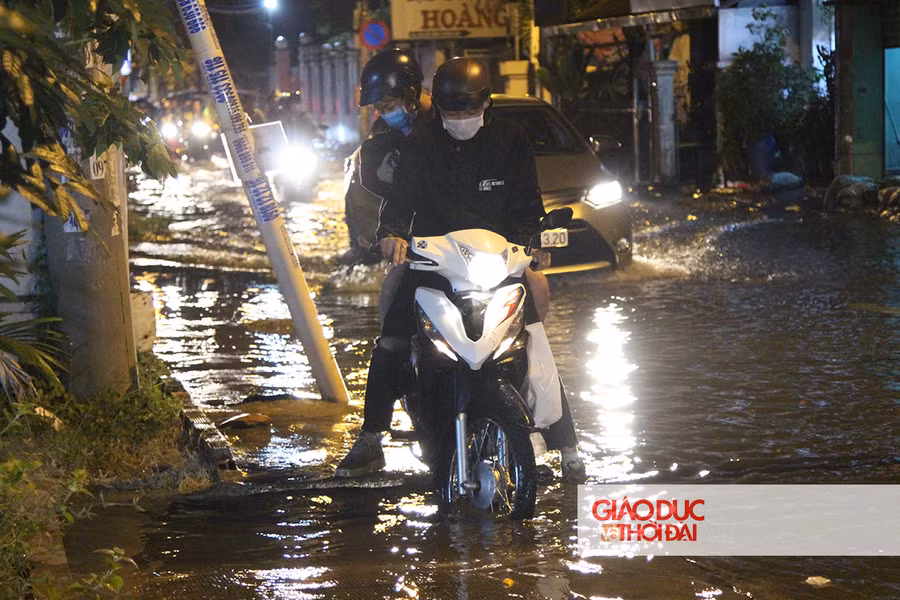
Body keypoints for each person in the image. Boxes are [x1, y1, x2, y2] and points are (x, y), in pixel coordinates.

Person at [335, 57, 584, 482]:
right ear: (440, 109)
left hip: (496, 263)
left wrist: (535, 246)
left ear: (486, 104)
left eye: (469, 111)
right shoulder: (418, 142)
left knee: (535, 333)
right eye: (453, 113)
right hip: (435, 262)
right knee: (393, 335)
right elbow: (399, 201)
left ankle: (569, 446)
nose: (461, 120)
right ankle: (371, 436)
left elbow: (528, 204)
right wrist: (391, 233)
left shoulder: (511, 140)